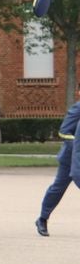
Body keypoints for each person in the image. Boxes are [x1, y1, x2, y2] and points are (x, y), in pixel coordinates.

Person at [35, 90, 80, 237]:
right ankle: (42, 219)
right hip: (70, 158)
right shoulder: (77, 108)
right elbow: (64, 132)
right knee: (57, 189)